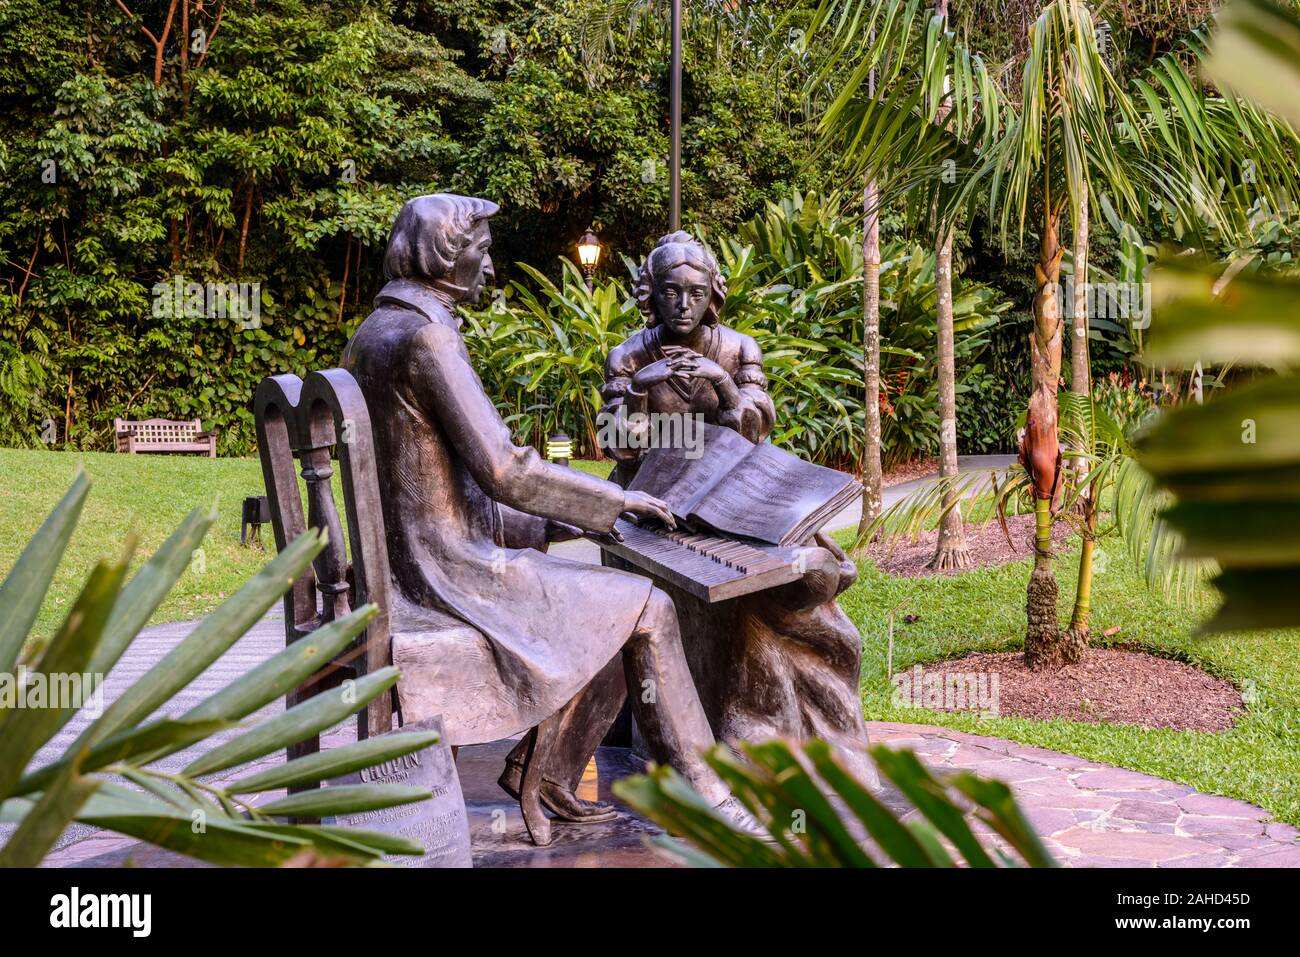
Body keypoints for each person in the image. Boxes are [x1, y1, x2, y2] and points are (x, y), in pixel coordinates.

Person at [341, 195, 749, 824]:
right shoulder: (428, 339)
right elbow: (506, 471)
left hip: (412, 558)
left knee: (614, 600)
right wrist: (613, 502)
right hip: (451, 572)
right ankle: (711, 798)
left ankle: (550, 776)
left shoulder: (372, 333)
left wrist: (575, 515)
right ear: (444, 258)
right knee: (647, 604)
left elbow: (435, 482)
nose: (491, 268)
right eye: (481, 253)